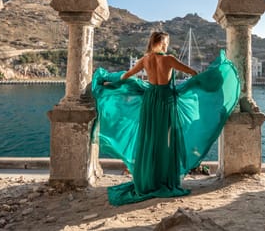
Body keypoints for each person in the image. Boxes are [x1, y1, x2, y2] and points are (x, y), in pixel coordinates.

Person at [92, 31, 240, 206]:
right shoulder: (169, 59)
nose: (167, 45)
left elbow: (126, 76)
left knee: (150, 139)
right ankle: (163, 180)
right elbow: (192, 72)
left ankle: (148, 180)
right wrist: (209, 80)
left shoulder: (145, 60)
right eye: (167, 42)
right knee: (166, 140)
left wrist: (110, 83)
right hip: (166, 100)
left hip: (150, 100)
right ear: (162, 43)